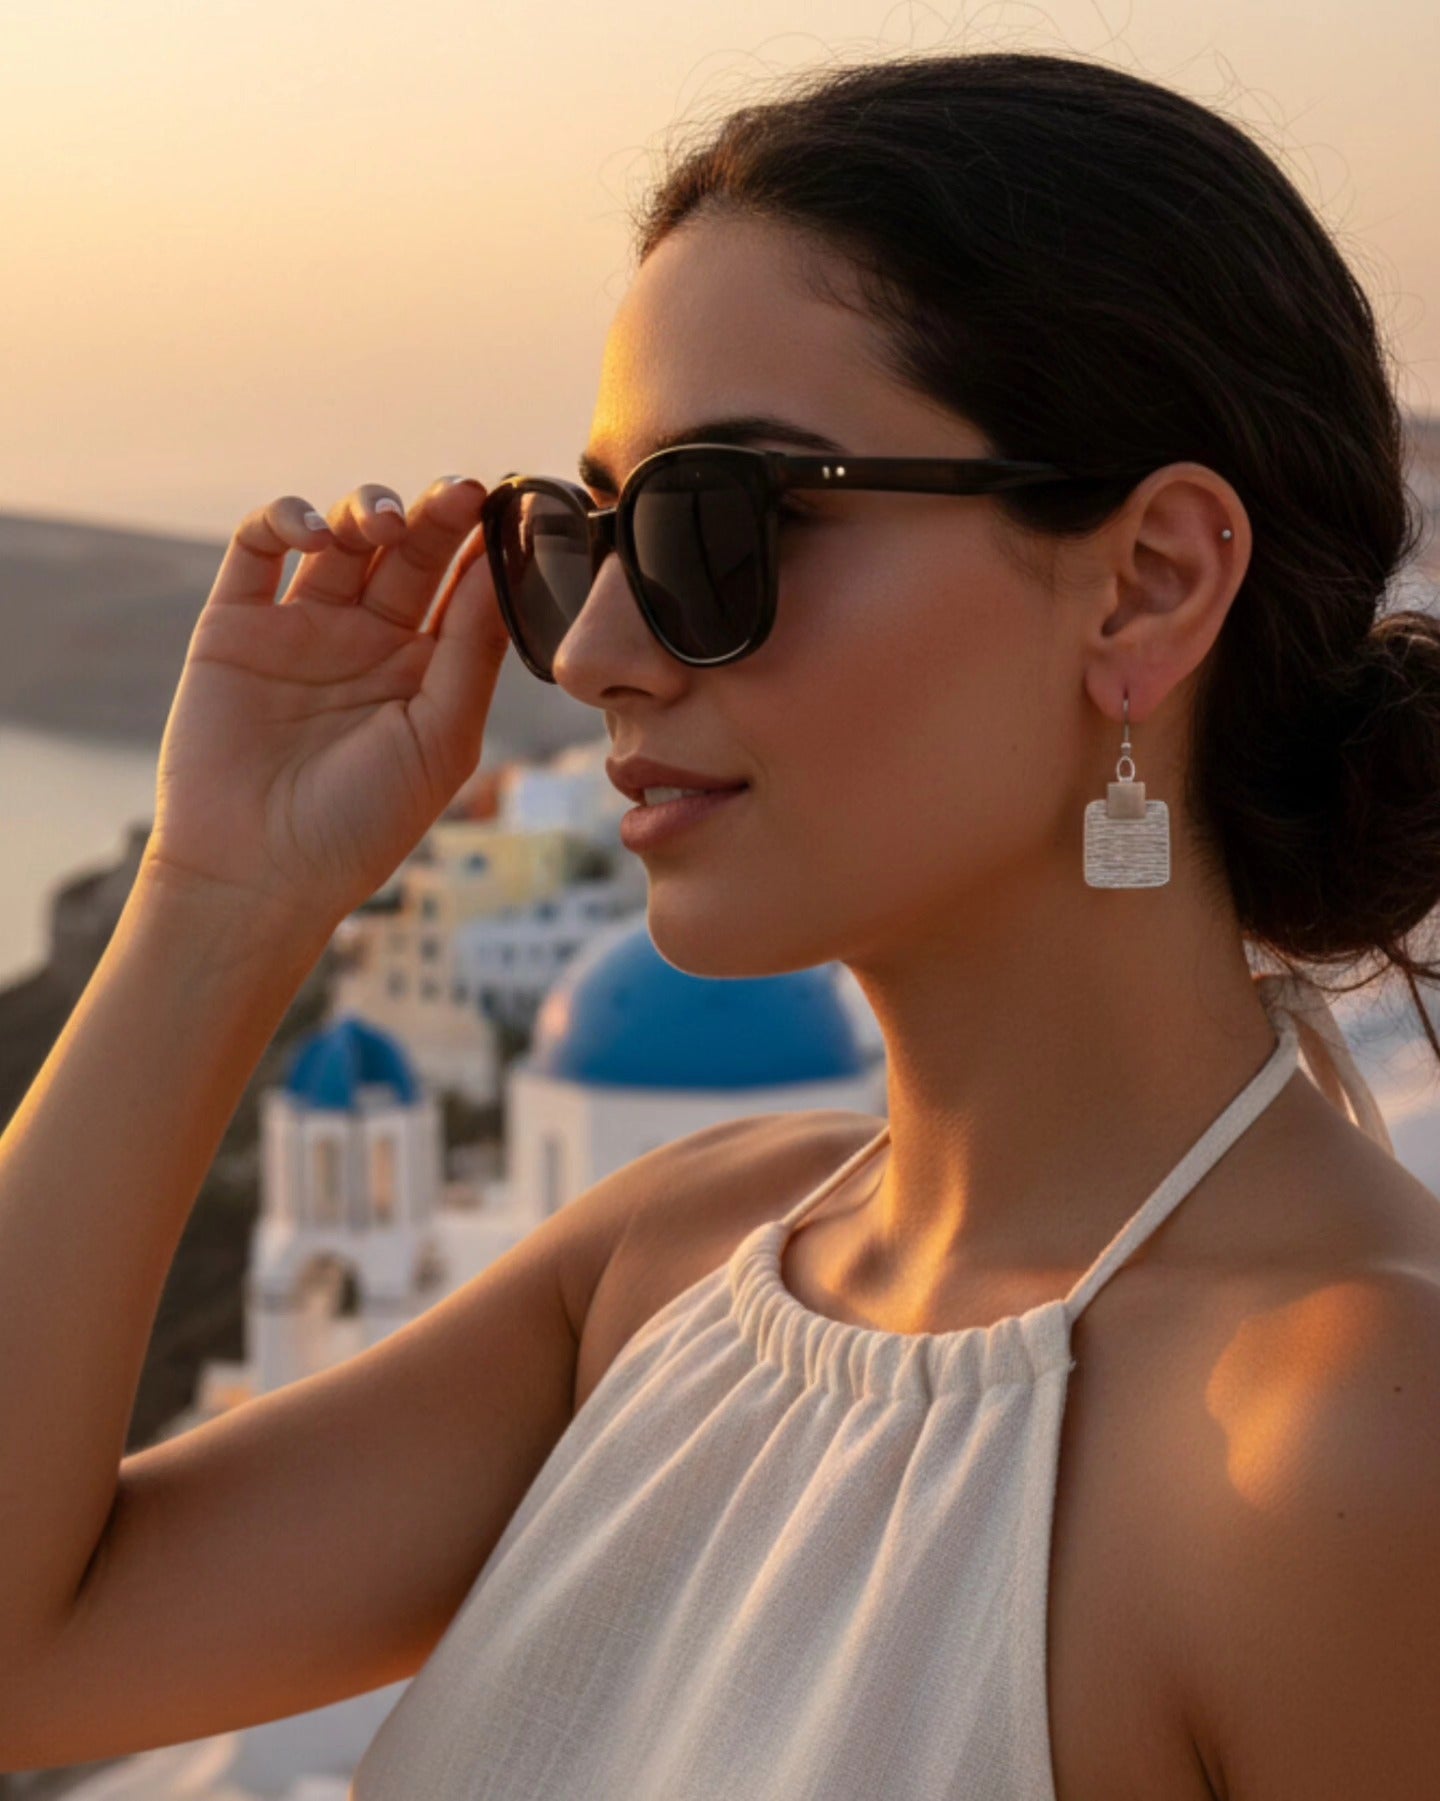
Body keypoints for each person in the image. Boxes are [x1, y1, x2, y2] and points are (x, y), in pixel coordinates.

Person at [3, 45, 1439, 1801]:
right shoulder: (667, 1269)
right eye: (579, 534)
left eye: (720, 523)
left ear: (1148, 582)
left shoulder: (1347, 1440)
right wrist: (221, 899)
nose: (599, 649)